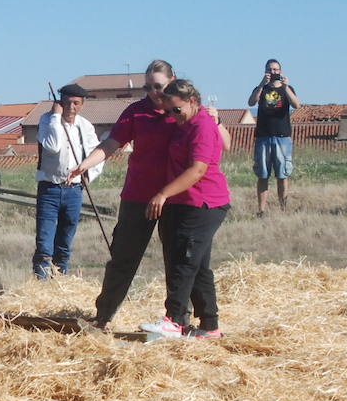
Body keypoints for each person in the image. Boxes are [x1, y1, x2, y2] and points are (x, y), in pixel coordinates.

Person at [67, 60, 231, 330]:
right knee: (123, 257)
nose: (154, 92)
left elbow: (222, 144)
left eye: (159, 86)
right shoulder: (137, 112)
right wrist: (86, 163)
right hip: (139, 195)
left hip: (177, 198)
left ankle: (179, 322)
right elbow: (111, 142)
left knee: (178, 260)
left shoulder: (187, 113)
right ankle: (103, 317)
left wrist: (219, 119)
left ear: (174, 83)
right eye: (149, 87)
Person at [139, 79, 230, 338]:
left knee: (184, 260)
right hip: (184, 202)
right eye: (168, 111)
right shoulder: (184, 123)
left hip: (204, 203)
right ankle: (210, 326)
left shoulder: (201, 125)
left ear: (192, 102)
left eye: (176, 110)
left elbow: (198, 169)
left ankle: (175, 320)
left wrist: (162, 194)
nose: (172, 116)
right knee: (198, 265)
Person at [32, 83, 102, 279]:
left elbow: (97, 153)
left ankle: (61, 281)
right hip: (50, 189)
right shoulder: (46, 120)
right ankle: (41, 284)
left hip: (74, 191)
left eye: (77, 103)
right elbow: (52, 147)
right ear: (60, 102)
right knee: (45, 242)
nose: (72, 107)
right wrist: (55, 116)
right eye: (68, 102)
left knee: (65, 242)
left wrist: (88, 175)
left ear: (82, 104)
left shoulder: (85, 126)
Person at [247, 58, 300, 216]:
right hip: (263, 137)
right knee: (263, 175)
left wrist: (285, 87)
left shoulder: (287, 88)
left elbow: (297, 105)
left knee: (282, 175)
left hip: (283, 137)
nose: (273, 72)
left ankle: (283, 209)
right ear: (265, 71)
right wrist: (262, 84)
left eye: (276, 69)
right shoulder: (260, 88)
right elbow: (251, 102)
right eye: (270, 69)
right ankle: (261, 210)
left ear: (281, 71)